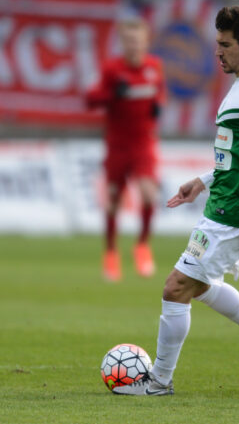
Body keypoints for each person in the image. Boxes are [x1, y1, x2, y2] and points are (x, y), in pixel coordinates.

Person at [112, 6, 239, 396]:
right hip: (221, 205)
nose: (217, 52)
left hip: (236, 212)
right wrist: (201, 181)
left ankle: (159, 382)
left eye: (225, 45)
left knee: (175, 287)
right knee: (200, 285)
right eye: (217, 43)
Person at [86, 18, 167, 282]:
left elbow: (160, 93)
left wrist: (158, 104)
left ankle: (142, 246)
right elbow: (90, 100)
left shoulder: (154, 66)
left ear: (145, 42)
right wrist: (112, 95)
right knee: (113, 202)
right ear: (123, 42)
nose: (134, 45)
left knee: (148, 193)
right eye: (129, 41)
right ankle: (110, 253)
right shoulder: (112, 69)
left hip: (143, 144)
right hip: (118, 145)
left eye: (138, 41)